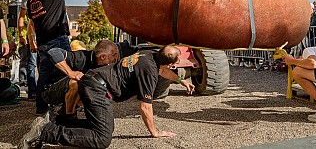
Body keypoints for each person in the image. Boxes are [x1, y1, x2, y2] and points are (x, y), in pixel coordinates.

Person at [19, 45, 195, 148]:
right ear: (170, 63)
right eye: (176, 64)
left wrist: (181, 80)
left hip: (95, 80)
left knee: (101, 128)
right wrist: (155, 132)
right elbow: (145, 107)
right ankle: (46, 132)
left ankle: (57, 122)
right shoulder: (149, 72)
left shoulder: (148, 55)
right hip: (99, 88)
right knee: (102, 139)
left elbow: (163, 70)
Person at [27, 0, 103, 114]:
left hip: (43, 42)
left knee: (45, 75)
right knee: (67, 71)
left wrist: (32, 40)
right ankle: (68, 106)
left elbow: (32, 23)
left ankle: (41, 109)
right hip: (57, 40)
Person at [41, 39, 119, 120]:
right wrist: (71, 73)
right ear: (103, 56)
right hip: (50, 91)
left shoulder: (103, 66)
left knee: (95, 87)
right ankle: (69, 118)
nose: (116, 57)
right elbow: (53, 52)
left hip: (65, 93)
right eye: (114, 54)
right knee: (76, 81)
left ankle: (63, 113)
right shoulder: (81, 57)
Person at [17, 0, 38, 100]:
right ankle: (29, 89)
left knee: (41, 63)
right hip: (29, 36)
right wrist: (21, 35)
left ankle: (41, 91)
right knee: (28, 63)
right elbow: (22, 18)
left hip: (42, 37)